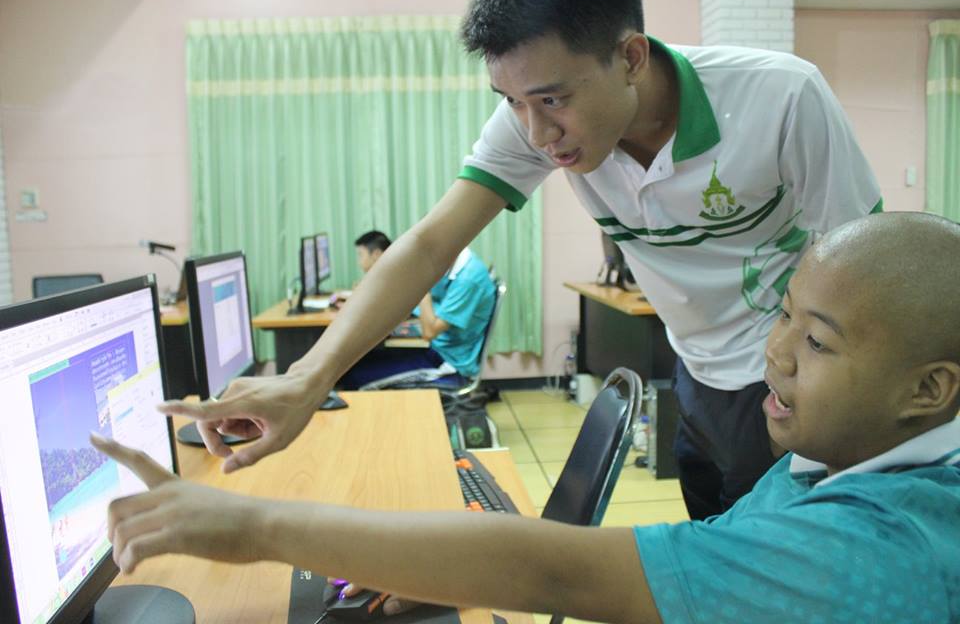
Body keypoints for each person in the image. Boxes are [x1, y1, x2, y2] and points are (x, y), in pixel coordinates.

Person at [161, 0, 881, 521]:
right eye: (511, 102)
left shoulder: (779, 98)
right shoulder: (533, 119)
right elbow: (431, 243)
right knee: (710, 543)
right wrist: (307, 379)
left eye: (552, 101)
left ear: (630, 57)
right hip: (694, 371)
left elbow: (864, 266)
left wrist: (824, 392)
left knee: (777, 567)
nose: (536, 134)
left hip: (785, 379)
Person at [95, 213, 960, 623]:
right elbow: (690, 562)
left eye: (816, 341)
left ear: (929, 389)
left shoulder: (881, 546)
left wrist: (254, 526)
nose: (773, 354)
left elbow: (564, 576)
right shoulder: (842, 457)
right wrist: (446, 568)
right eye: (783, 316)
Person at [337, 231, 497, 389]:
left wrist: (422, 284)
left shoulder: (468, 278)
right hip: (436, 349)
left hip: (449, 363)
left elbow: (429, 332)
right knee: (355, 364)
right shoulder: (450, 265)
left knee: (354, 376)